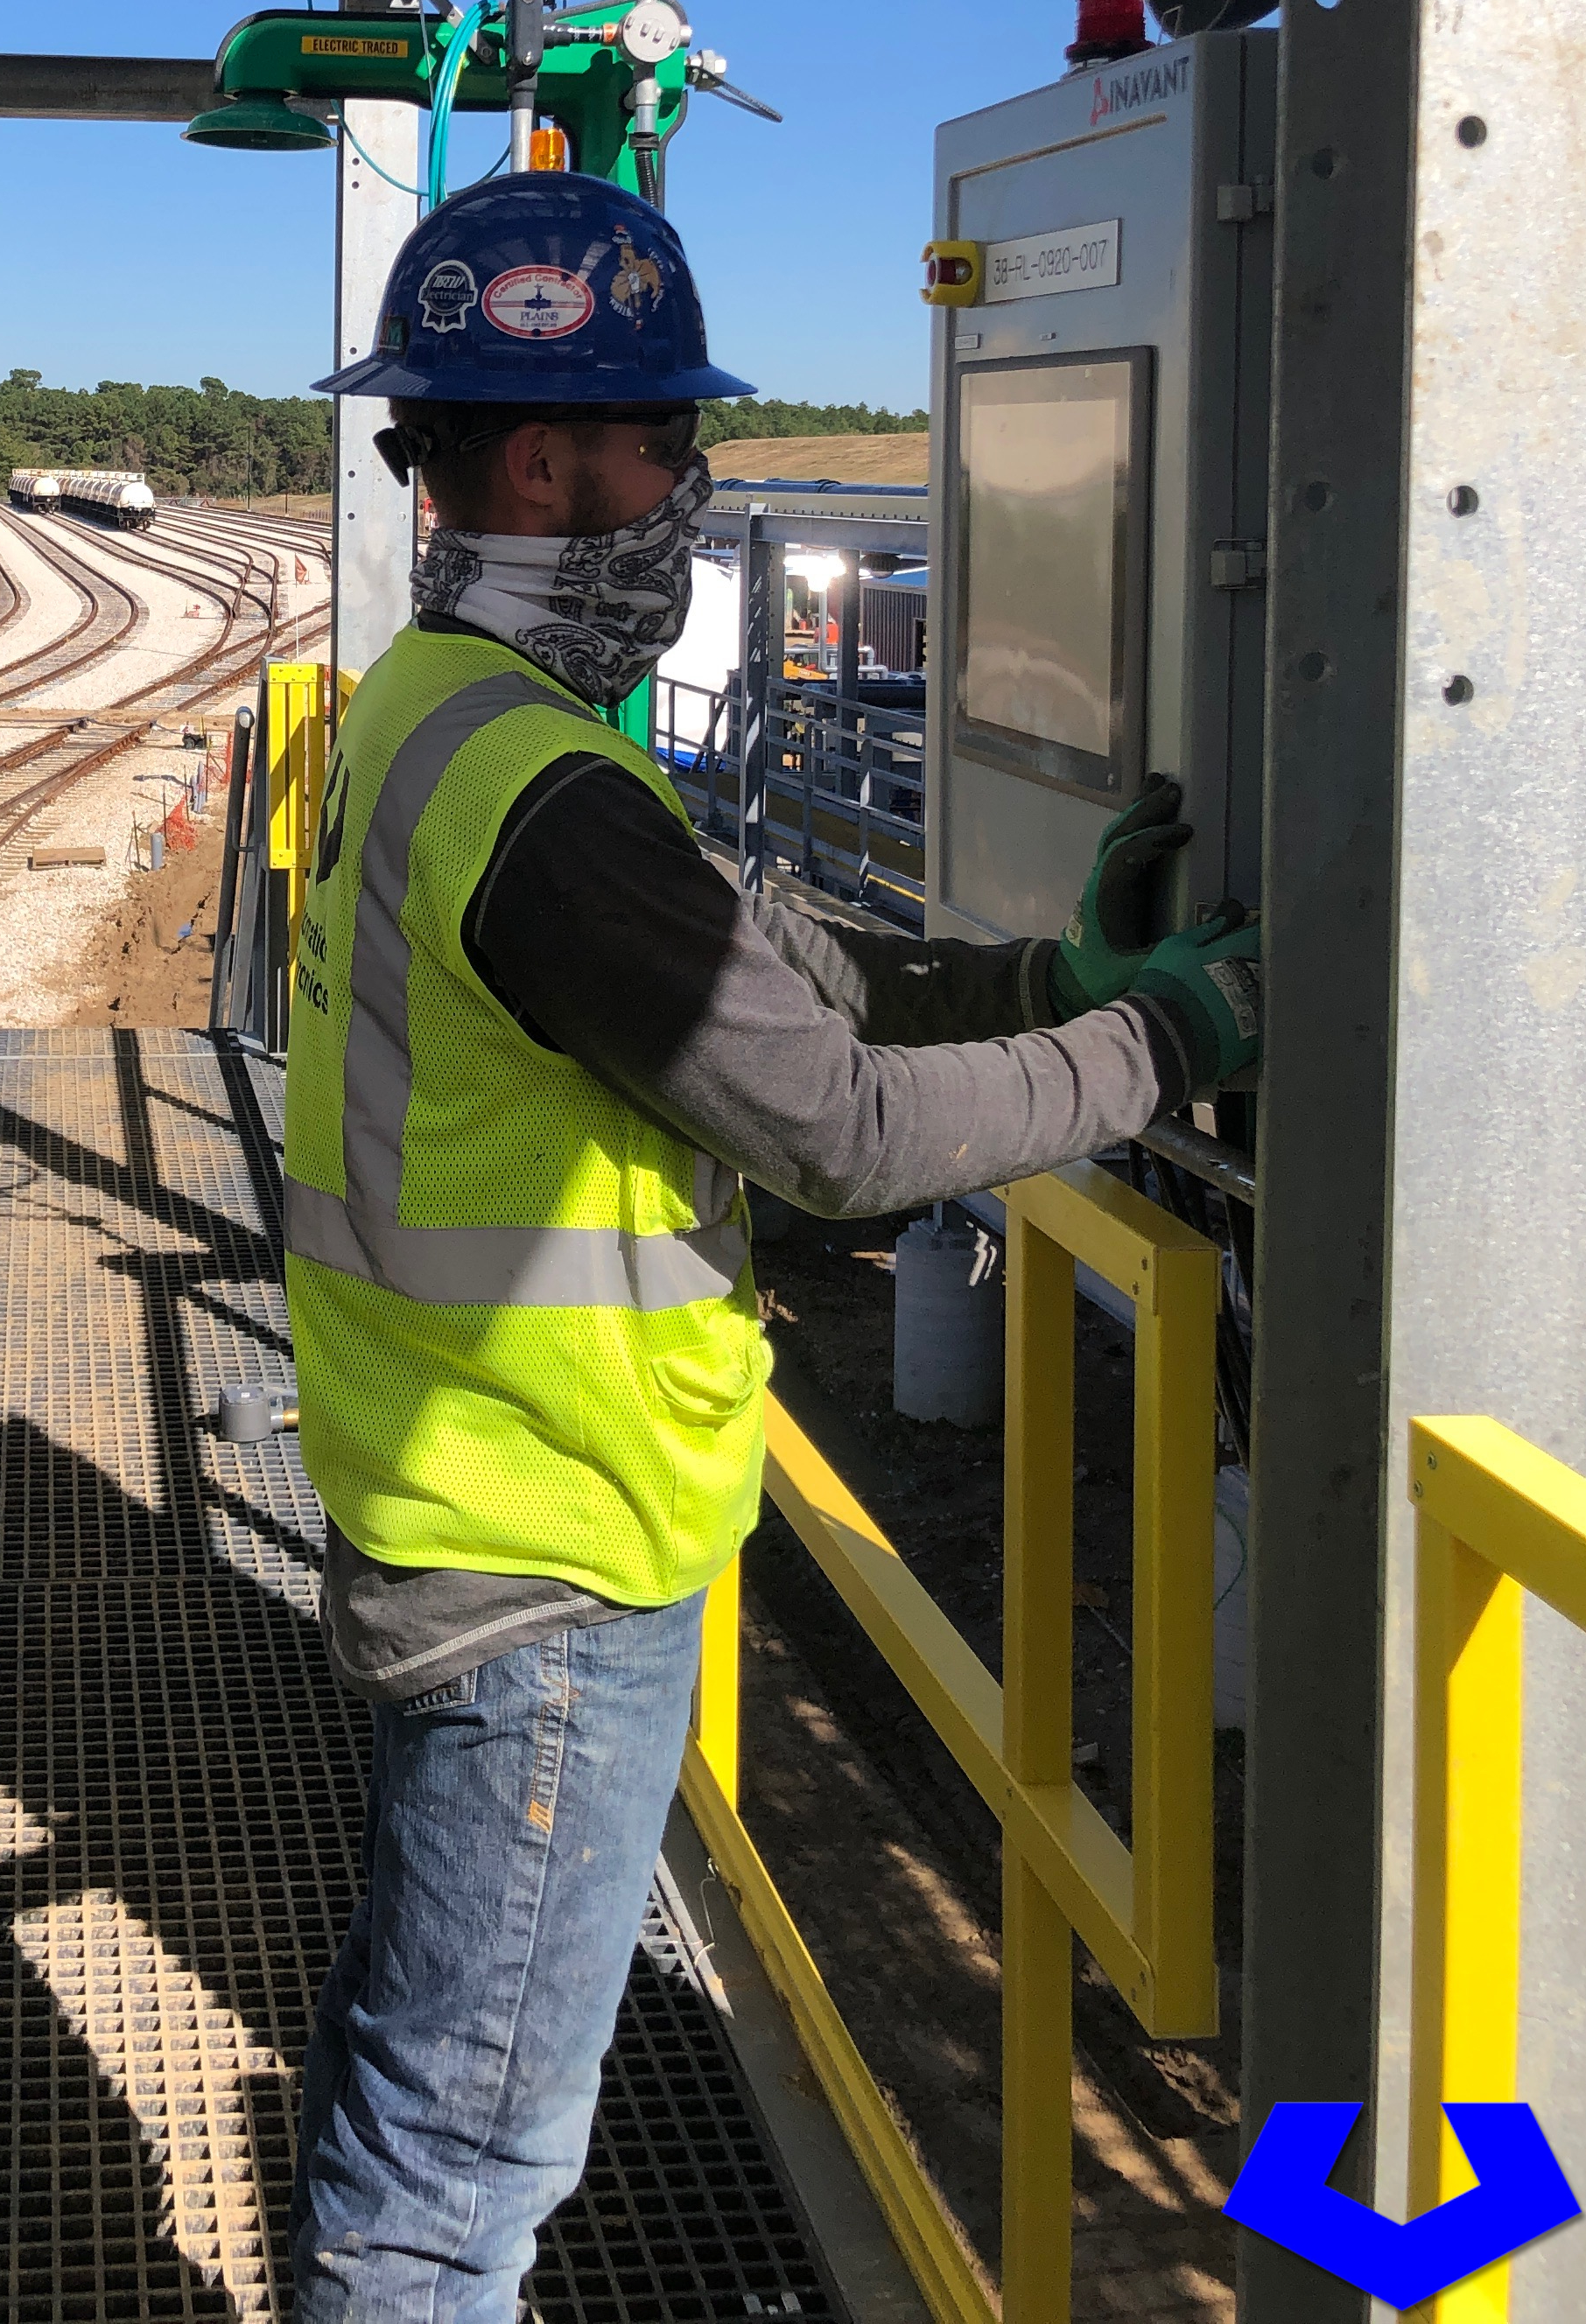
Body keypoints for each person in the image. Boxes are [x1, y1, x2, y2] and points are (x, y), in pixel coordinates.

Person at [283, 171, 1259, 2324]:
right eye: (660, 448)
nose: (687, 495)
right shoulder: (542, 804)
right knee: (462, 2180)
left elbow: (778, 965)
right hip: (550, 1553)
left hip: (458, 1502)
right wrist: (1156, 1047)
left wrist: (1040, 980)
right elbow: (843, 1131)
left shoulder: (440, 721)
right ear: (540, 459)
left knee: (409, 2067)